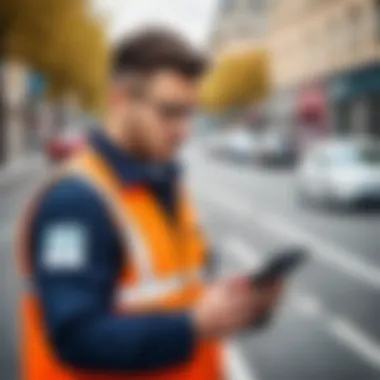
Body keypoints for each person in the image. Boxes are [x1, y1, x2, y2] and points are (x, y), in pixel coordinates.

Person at [17, 27, 283, 380]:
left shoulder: (166, 184)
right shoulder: (75, 201)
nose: (184, 130)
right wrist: (192, 326)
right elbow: (74, 337)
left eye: (189, 112)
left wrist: (237, 306)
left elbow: (181, 293)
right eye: (169, 112)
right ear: (119, 99)